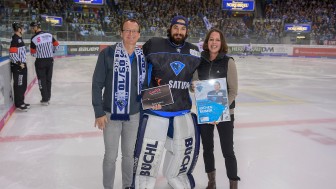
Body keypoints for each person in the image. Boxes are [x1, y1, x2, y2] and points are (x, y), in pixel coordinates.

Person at [132, 15, 201, 189]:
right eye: (176, 28)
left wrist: (196, 85)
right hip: (156, 109)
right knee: (151, 150)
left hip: (182, 110)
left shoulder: (194, 51)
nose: (179, 32)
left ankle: (176, 177)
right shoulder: (154, 44)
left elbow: (195, 77)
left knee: (181, 149)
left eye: (183, 29)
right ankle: (143, 182)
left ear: (187, 31)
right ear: (170, 29)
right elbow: (138, 69)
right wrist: (143, 96)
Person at [92, 19, 146, 189]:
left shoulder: (141, 57)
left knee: (129, 155)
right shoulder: (108, 53)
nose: (130, 34)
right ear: (121, 32)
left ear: (139, 34)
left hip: (134, 114)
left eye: (134, 31)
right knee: (110, 156)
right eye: (127, 30)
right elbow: (97, 84)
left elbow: (145, 85)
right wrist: (98, 112)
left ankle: (127, 186)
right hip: (110, 114)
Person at [194, 28, 240, 189]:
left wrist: (218, 111)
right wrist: (194, 86)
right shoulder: (199, 61)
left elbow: (233, 91)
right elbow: (195, 86)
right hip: (205, 112)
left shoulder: (229, 62)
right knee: (208, 149)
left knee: (228, 151)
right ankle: (211, 182)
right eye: (211, 39)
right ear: (207, 42)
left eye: (217, 40)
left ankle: (233, 184)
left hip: (225, 113)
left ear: (222, 43)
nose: (214, 42)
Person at [30, 21, 59, 105]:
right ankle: (48, 97)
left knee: (41, 80)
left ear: (35, 27)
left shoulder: (34, 38)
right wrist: (51, 51)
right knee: (48, 79)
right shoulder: (49, 35)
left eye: (32, 28)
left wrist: (39, 53)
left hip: (40, 61)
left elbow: (32, 53)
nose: (32, 30)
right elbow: (57, 45)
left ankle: (45, 99)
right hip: (50, 60)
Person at [9, 22, 30, 111]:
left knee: (23, 85)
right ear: (18, 29)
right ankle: (19, 103)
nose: (23, 29)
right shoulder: (15, 40)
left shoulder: (19, 39)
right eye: (22, 28)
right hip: (18, 66)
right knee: (19, 85)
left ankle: (21, 101)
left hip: (22, 65)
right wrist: (19, 63)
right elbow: (12, 54)